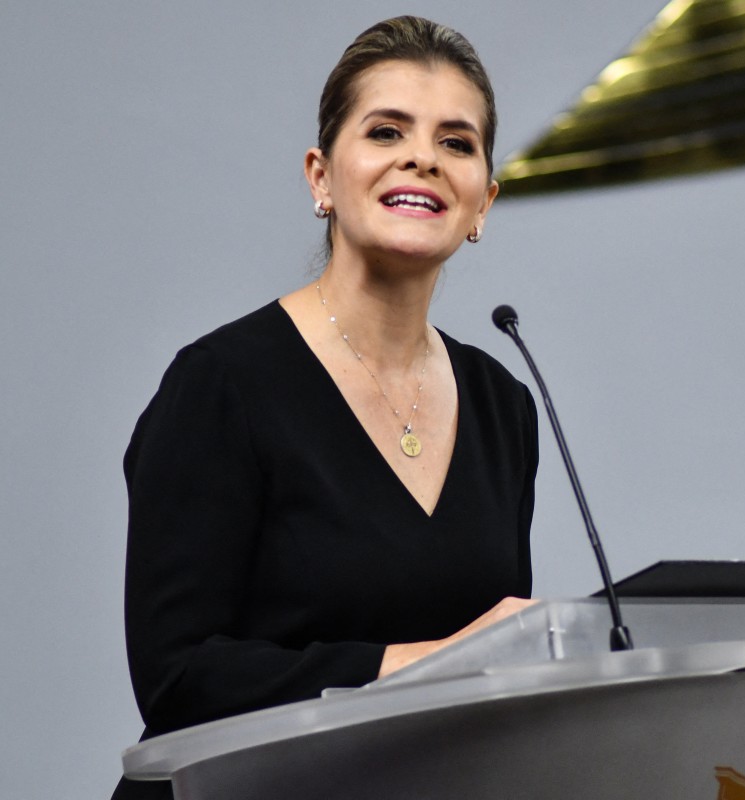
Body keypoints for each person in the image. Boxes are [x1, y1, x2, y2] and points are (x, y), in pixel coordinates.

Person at [111, 17, 538, 799]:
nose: (422, 157)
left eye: (456, 142)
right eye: (386, 131)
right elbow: (176, 679)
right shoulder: (221, 386)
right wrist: (415, 664)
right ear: (320, 176)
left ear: (483, 203)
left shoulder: (502, 404)